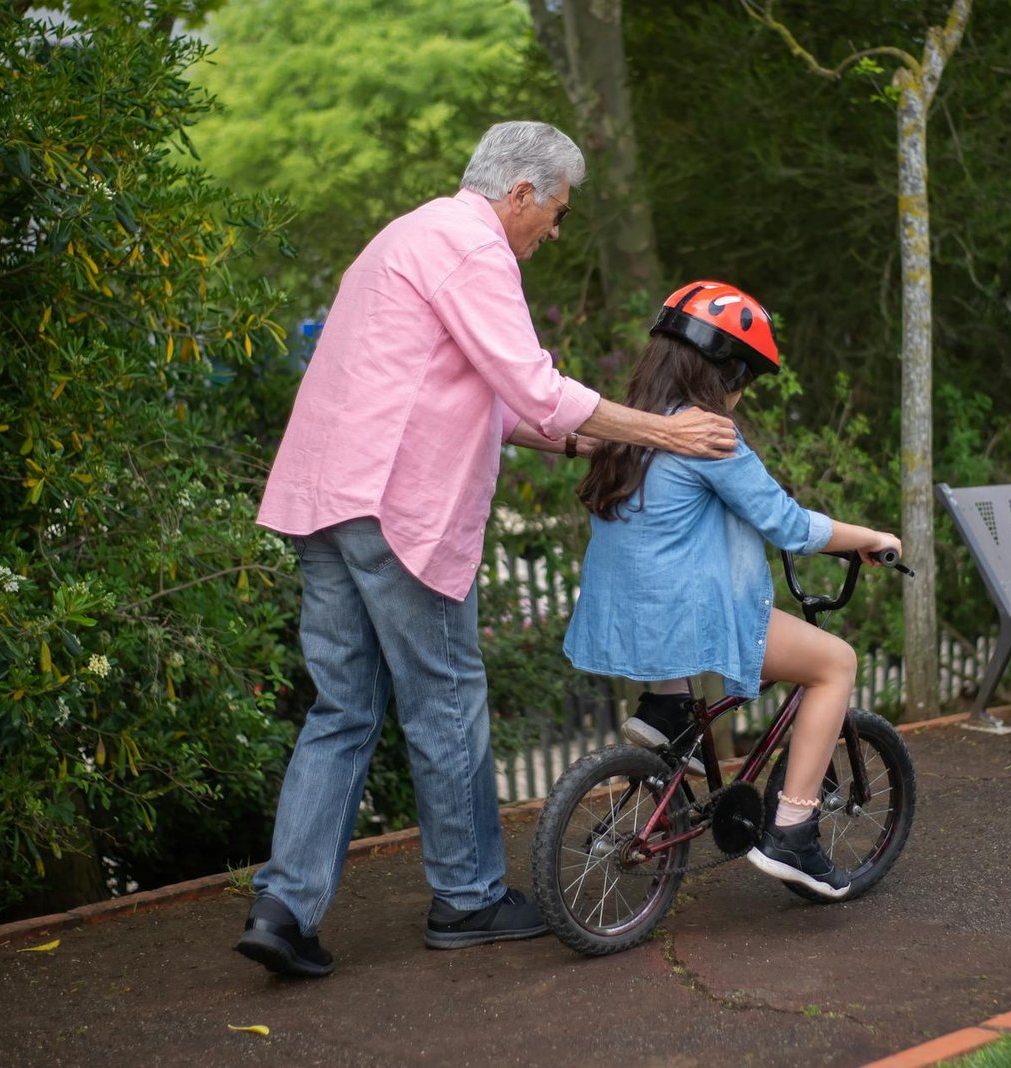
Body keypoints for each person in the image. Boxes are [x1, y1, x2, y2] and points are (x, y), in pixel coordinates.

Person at [237, 122, 741, 978]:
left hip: (326, 499)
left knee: (344, 710)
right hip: (393, 508)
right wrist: (667, 433)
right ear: (520, 195)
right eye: (557, 212)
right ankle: (469, 899)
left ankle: (284, 907)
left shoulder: (404, 237)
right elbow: (537, 385)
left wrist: (603, 446)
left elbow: (503, 409)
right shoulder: (473, 250)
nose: (555, 230)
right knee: (445, 704)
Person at [563, 280, 902, 897]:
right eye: (743, 378)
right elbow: (789, 525)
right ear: (722, 372)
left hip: (627, 618)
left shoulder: (630, 430)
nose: (742, 395)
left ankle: (668, 712)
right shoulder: (708, 436)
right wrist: (866, 537)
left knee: (675, 588)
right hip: (689, 619)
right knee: (835, 664)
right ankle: (794, 834)